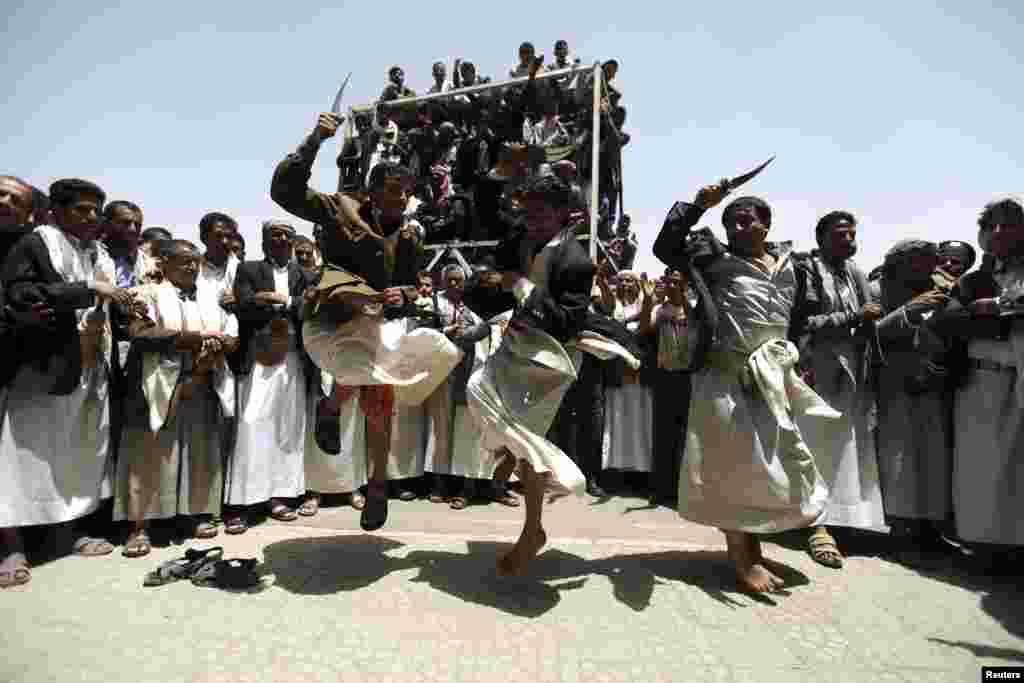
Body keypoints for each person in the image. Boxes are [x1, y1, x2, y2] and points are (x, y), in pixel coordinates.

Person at [270, 111, 461, 532]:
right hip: (334, 319)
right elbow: (284, 190)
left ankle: (377, 485)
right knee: (364, 378)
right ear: (372, 192)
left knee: (380, 402)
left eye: (408, 192)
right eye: (393, 191)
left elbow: (412, 286)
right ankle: (333, 405)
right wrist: (316, 140)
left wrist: (405, 293)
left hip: (379, 323)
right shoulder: (339, 208)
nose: (401, 199)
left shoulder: (411, 234)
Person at [653, 184, 835, 594]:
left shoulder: (794, 264)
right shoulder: (713, 258)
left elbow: (801, 319)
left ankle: (782, 538)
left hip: (774, 378)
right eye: (731, 221)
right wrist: (699, 204)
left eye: (747, 219)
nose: (738, 226)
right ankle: (744, 558)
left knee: (777, 463)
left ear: (766, 224)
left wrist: (798, 363)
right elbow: (666, 247)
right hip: (725, 376)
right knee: (733, 466)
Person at [466, 173, 637, 576]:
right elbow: (488, 213)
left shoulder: (577, 260)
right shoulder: (521, 238)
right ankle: (508, 455)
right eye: (530, 211)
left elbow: (564, 321)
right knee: (476, 389)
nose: (535, 218)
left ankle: (531, 530)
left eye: (545, 212)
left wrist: (522, 287)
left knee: (530, 443)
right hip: (513, 347)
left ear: (566, 214)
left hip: (552, 360)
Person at [0, 178, 138, 586]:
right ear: (55, 211)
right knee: (22, 457)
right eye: (81, 209)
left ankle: (69, 532)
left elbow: (113, 306)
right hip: (43, 370)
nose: (91, 217)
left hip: (91, 371)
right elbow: (22, 296)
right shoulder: (35, 243)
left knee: (79, 453)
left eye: (96, 210)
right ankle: (11, 546)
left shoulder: (98, 253)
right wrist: (86, 289)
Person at [114, 240, 239, 556]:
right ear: (164, 261)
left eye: (195, 261)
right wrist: (196, 340)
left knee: (198, 450)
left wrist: (221, 344)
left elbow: (232, 332)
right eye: (183, 261)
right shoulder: (147, 293)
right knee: (150, 452)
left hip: (203, 379)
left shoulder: (210, 298)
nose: (191, 266)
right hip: (156, 383)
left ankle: (192, 514)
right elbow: (140, 332)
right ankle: (139, 526)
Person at [932, 196, 1024, 571]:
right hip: (983, 380)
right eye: (992, 226)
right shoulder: (973, 281)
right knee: (980, 467)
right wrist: (979, 311)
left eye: (1010, 224)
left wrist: (1006, 308)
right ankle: (983, 546)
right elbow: (947, 321)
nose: (999, 232)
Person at [789, 211, 885, 569]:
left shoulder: (854, 273)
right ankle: (817, 524)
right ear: (821, 239)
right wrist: (855, 317)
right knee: (817, 447)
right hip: (818, 369)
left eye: (852, 234)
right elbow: (801, 323)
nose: (848, 240)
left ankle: (844, 518)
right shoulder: (808, 271)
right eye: (840, 234)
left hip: (852, 372)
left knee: (846, 446)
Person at [223, 220, 312, 533]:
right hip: (260, 358)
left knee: (288, 426)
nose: (282, 240)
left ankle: (280, 496)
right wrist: (260, 301)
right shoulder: (248, 269)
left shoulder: (304, 273)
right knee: (252, 424)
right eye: (275, 235)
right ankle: (242, 502)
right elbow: (242, 306)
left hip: (293, 359)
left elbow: (311, 306)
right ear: (263, 241)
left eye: (287, 236)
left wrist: (284, 301)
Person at [639, 269, 693, 505]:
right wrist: (649, 301)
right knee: (662, 435)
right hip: (665, 377)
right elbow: (643, 330)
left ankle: (684, 489)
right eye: (668, 282)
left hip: (688, 378)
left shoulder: (694, 308)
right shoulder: (659, 310)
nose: (671, 286)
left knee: (686, 436)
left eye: (677, 282)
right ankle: (660, 489)